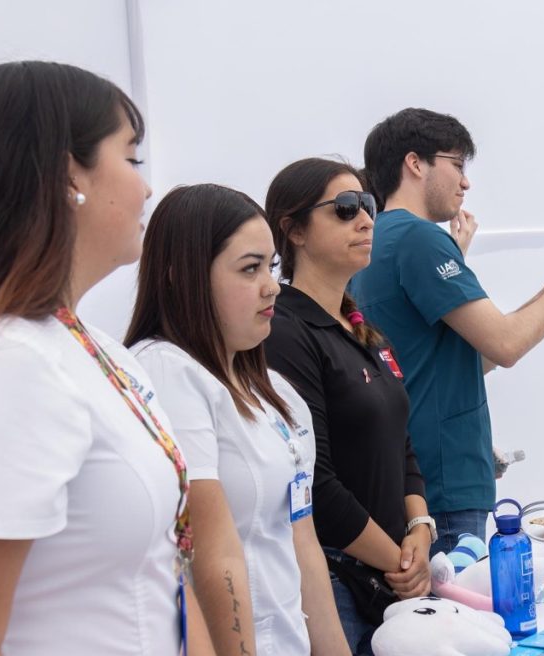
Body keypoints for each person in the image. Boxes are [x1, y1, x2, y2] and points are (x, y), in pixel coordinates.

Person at [0, 61, 196, 654]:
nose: (146, 187)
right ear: (67, 174)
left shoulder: (89, 348)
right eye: (132, 158)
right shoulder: (1, 366)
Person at [350, 107, 544, 555]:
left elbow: (474, 357)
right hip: (443, 487)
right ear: (415, 164)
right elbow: (506, 344)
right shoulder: (418, 238)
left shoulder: (377, 242)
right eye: (457, 165)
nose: (466, 182)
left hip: (413, 478)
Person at [126, 184, 350, 655]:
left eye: (271, 266)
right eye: (250, 269)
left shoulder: (276, 393)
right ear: (181, 277)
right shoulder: (167, 370)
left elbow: (303, 544)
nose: (271, 285)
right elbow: (209, 551)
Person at [264, 158, 431, 655]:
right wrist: (401, 561)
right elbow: (313, 481)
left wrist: (420, 528)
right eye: (344, 208)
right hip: (337, 580)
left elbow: (402, 446)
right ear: (292, 230)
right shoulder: (284, 332)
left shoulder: (364, 331)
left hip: (391, 578)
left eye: (368, 206)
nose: (364, 220)